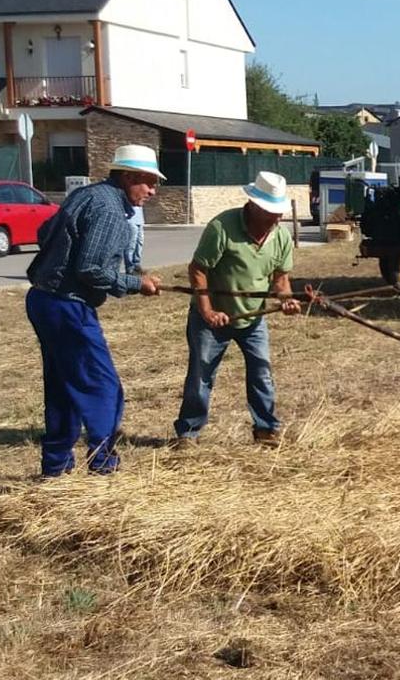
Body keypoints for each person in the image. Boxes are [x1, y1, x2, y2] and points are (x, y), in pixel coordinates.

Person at [25, 144, 164, 477]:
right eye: (148, 182)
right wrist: (136, 284)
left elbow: (44, 233)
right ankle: (102, 462)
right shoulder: (111, 212)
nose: (152, 191)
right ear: (128, 176)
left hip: (43, 299)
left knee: (63, 384)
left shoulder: (86, 195)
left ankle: (56, 466)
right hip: (69, 307)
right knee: (102, 386)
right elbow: (91, 269)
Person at [173, 171, 301, 447]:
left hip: (253, 318)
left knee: (261, 372)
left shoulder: (281, 237)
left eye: (278, 213)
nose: (276, 219)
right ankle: (188, 432)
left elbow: (281, 280)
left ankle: (266, 429)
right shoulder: (222, 227)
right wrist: (207, 311)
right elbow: (198, 269)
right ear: (253, 205)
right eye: (270, 212)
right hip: (212, 319)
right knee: (201, 374)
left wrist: (286, 300)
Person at [125, 203, 145, 273]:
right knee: (131, 245)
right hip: (130, 220)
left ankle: (136, 264)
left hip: (140, 220)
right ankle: (130, 267)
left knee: (139, 243)